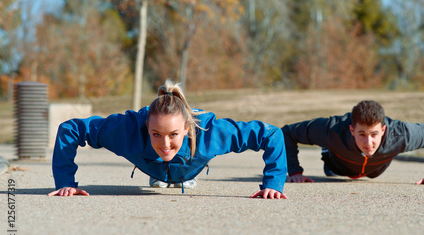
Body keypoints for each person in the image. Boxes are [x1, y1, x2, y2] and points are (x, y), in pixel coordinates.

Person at [48, 80, 287, 199]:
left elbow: (271, 134)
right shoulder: (126, 130)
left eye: (173, 135)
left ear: (185, 128)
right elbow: (70, 129)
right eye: (156, 134)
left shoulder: (210, 134)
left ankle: (181, 173)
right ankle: (159, 171)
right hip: (149, 161)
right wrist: (65, 182)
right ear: (146, 127)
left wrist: (273, 184)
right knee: (158, 154)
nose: (164, 144)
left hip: (190, 164)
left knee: (175, 157)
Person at [281, 100, 424, 185]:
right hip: (338, 164)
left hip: (375, 169)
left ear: (383, 130)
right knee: (332, 162)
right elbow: (287, 132)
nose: (368, 142)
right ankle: (327, 151)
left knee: (374, 161)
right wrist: (295, 171)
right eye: (362, 134)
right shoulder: (331, 129)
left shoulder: (401, 134)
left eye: (374, 134)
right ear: (351, 130)